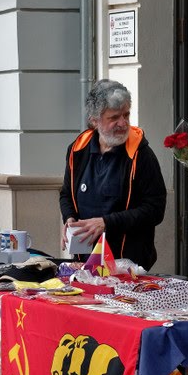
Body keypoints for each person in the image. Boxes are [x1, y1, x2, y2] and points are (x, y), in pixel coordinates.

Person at [57, 79, 167, 269]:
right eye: (114, 117)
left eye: (126, 115)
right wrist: (69, 218)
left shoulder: (141, 155)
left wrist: (106, 223)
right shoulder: (77, 150)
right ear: (94, 120)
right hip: (84, 261)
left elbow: (155, 210)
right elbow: (66, 194)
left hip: (127, 263)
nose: (123, 123)